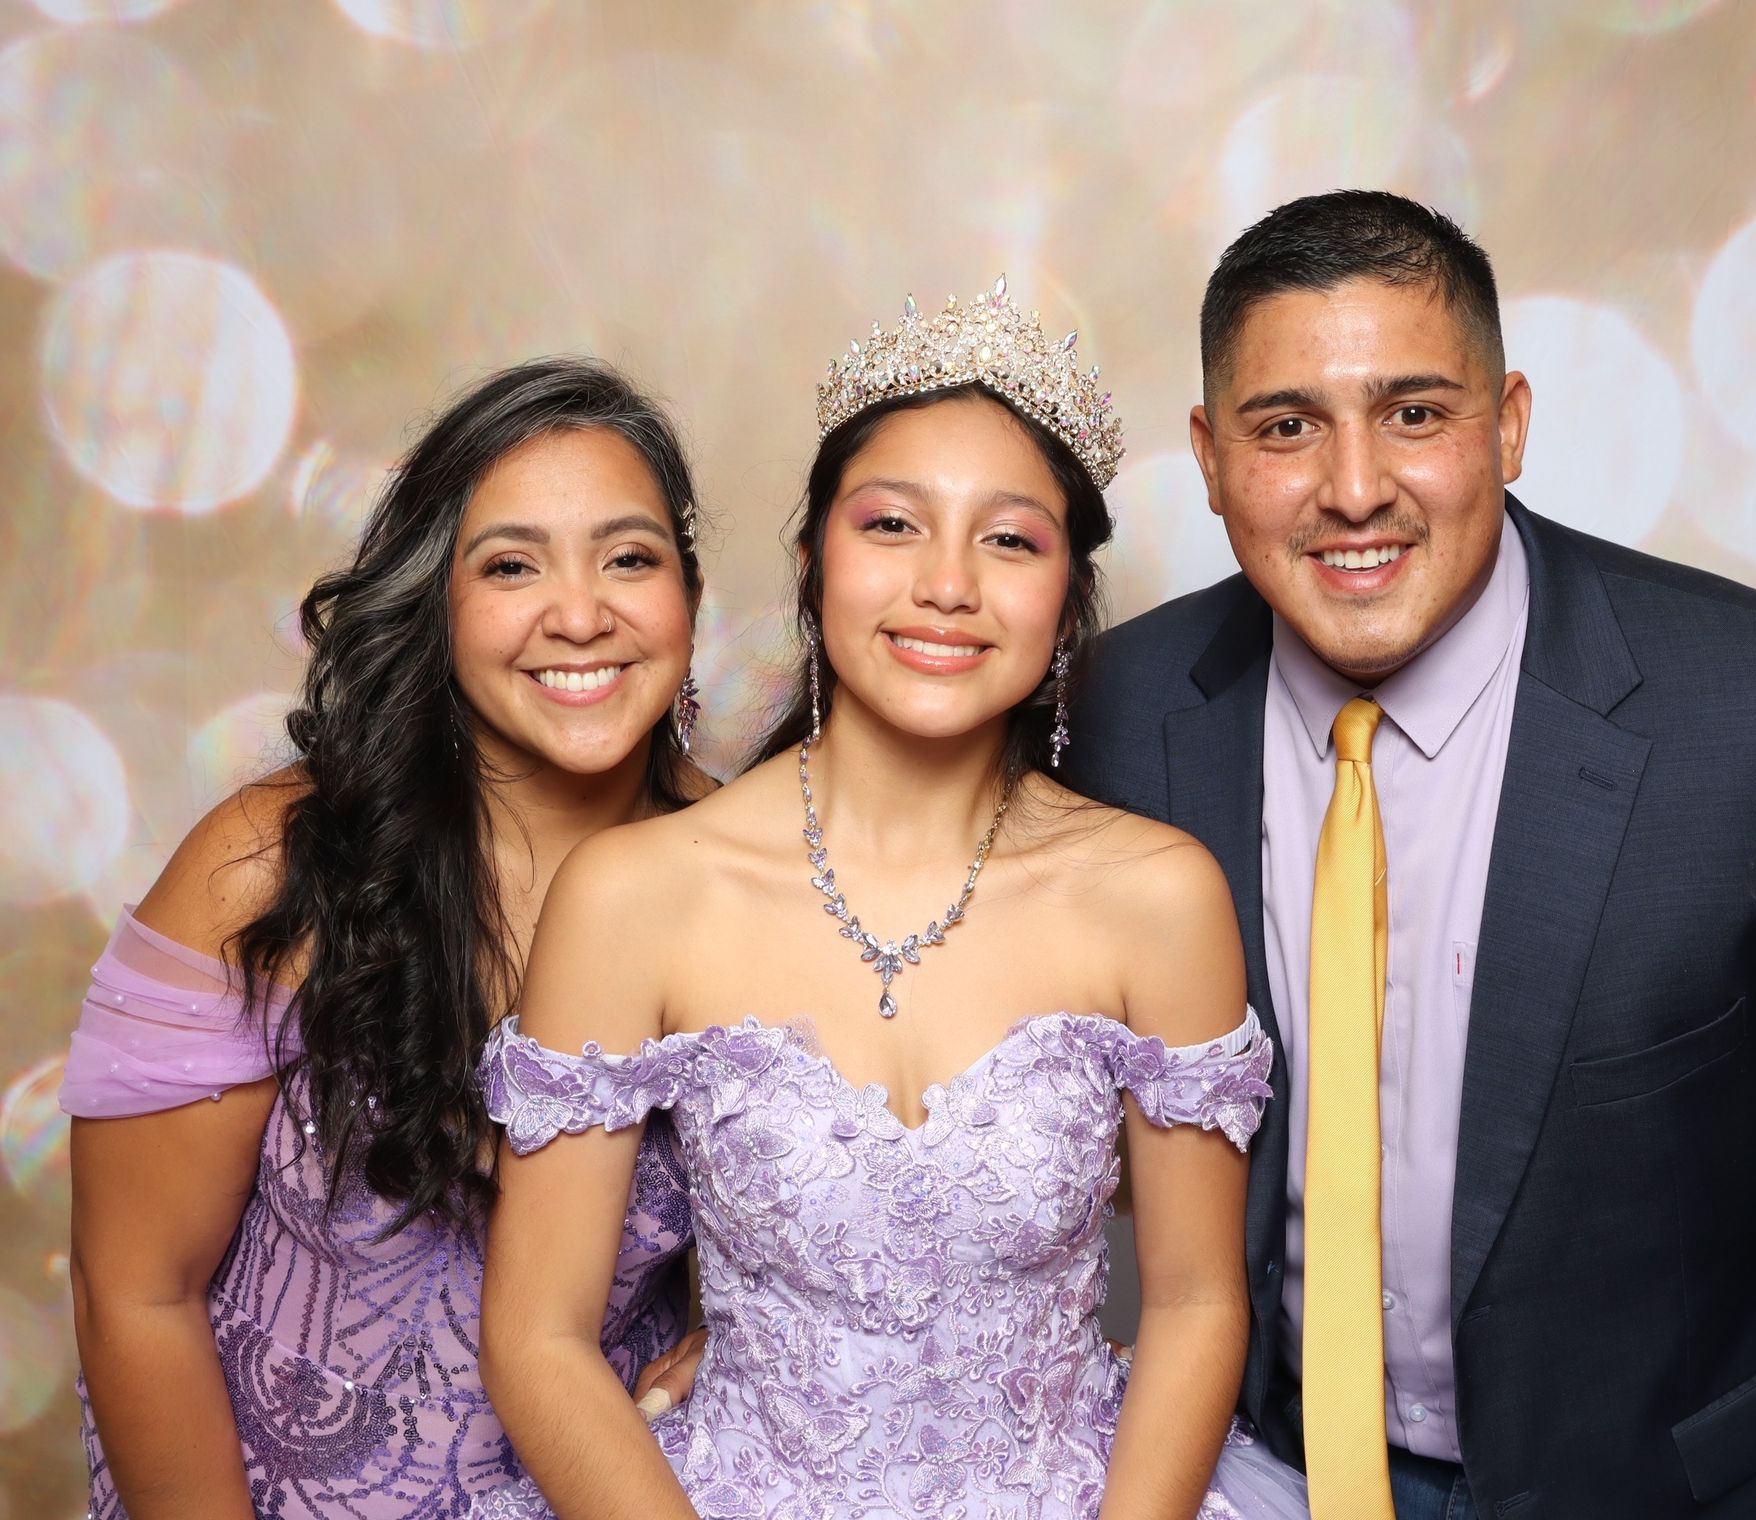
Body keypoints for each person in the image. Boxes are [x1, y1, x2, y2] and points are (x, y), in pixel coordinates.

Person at [1064, 189, 1756, 1519]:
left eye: (1415, 413)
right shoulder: (1118, 707)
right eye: (1286, 427)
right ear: (1212, 459)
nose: (1356, 488)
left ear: (1510, 425)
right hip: (1262, 1477)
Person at [472, 283, 1310, 1519]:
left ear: (1067, 598)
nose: (947, 583)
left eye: (1010, 540)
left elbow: (1194, 1301)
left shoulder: (1158, 896)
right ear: (814, 562)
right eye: (893, 525)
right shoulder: (637, 894)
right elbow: (537, 1334)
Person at [62, 359, 712, 1519]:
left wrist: (756, 1336)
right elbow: (137, 1290)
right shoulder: (267, 865)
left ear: (690, 596)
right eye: (511, 564)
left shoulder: (760, 875)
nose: (580, 614)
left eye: (629, 558)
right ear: (434, 602)